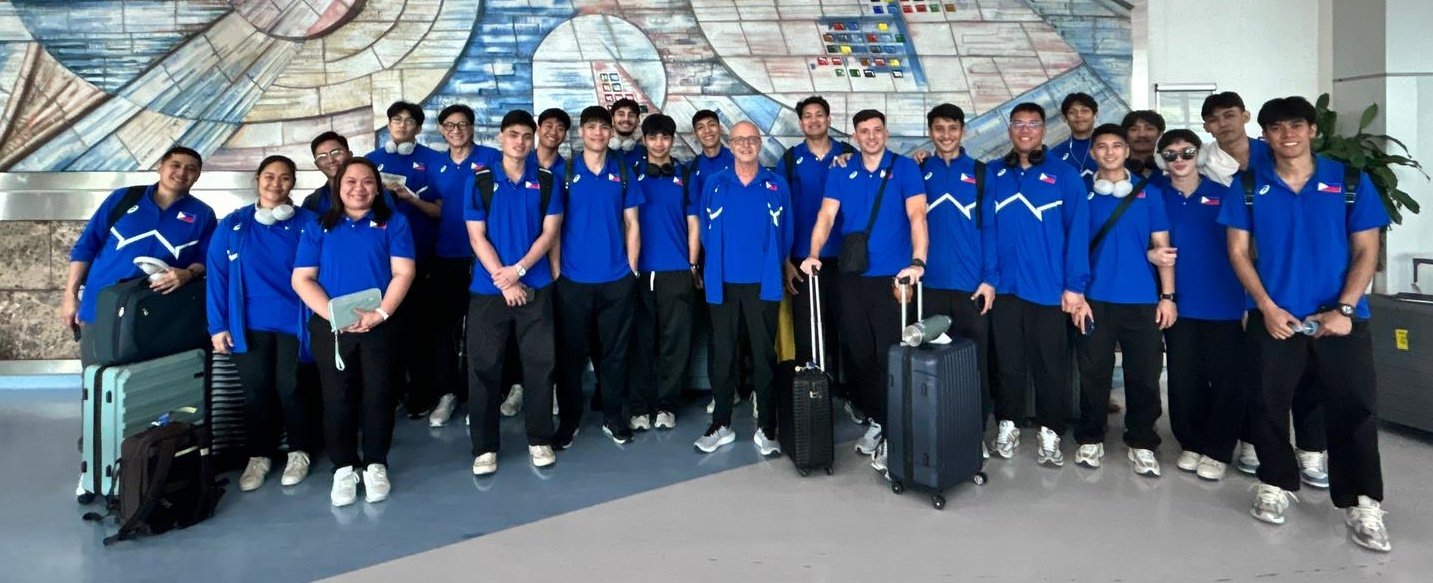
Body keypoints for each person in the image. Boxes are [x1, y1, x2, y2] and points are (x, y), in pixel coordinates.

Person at [1220, 96, 1392, 552]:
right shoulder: (1250, 184)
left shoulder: (1350, 181)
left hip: (1341, 319)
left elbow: (1367, 250)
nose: (1287, 135)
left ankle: (1362, 501)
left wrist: (1346, 310)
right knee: (1266, 402)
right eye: (1276, 128)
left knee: (1354, 407)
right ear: (1265, 135)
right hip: (1275, 317)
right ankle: (1276, 484)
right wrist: (1266, 306)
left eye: (1296, 125)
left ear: (1313, 130)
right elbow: (1238, 251)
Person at [1201, 90, 1328, 487]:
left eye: (1230, 115)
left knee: (1309, 372)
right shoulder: (1203, 162)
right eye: (1215, 119)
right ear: (1207, 127)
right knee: (1254, 371)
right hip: (1237, 281)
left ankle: (1310, 449)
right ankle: (1252, 442)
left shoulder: (1276, 158)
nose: (1224, 124)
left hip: (1293, 281)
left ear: (1245, 116)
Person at [800, 109, 928, 459]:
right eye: (863, 131)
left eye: (876, 130)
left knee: (891, 354)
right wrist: (812, 253)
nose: (871, 136)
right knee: (859, 353)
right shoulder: (843, 170)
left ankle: (894, 428)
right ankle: (877, 419)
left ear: (885, 133)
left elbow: (917, 215)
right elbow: (826, 215)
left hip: (892, 279)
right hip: (852, 277)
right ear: (855, 136)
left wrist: (918, 261)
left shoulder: (904, 168)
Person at [292, 157, 416, 507]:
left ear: (377, 188)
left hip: (381, 324)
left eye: (367, 182)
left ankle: (376, 463)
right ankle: (343, 467)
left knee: (379, 395)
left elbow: (403, 273)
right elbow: (302, 278)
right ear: (338, 186)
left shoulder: (395, 223)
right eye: (350, 182)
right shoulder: (319, 227)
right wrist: (334, 316)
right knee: (337, 400)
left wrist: (380, 313)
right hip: (332, 327)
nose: (359, 188)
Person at [985, 102, 1090, 468]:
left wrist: (1074, 286)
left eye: (1033, 124)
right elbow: (988, 231)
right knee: (1008, 364)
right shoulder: (995, 174)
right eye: (1018, 124)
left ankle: (1051, 431)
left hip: (1049, 290)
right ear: (1010, 130)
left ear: (1044, 130)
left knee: (1050, 367)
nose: (1025, 130)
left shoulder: (1064, 176)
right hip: (1005, 290)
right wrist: (990, 279)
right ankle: (1008, 424)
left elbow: (1078, 233)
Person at [1068, 124, 1175, 477]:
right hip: (1094, 300)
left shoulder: (1150, 193)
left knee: (1144, 375)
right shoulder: (1081, 192)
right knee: (1093, 373)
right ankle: (1090, 437)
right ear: (1094, 153)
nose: (1110, 152)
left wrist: (1168, 297)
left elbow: (1164, 249)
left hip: (1142, 300)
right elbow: (1073, 248)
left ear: (1127, 151)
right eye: (1102, 147)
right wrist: (1077, 294)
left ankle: (1142, 441)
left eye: (1117, 146)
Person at [207, 155, 318, 491]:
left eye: (285, 178)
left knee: (293, 388)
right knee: (256, 392)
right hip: (248, 323)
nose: (276, 184)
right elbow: (218, 276)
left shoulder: (309, 223)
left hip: (296, 322)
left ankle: (299, 452)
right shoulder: (233, 224)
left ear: (293, 184)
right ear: (257, 179)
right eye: (269, 176)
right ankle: (259, 456)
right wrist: (217, 325)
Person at [464, 110, 563, 475]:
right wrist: (504, 279)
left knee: (540, 367)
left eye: (526, 135)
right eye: (513, 135)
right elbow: (477, 236)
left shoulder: (548, 181)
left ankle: (539, 439)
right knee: (484, 368)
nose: (520, 142)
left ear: (533, 139)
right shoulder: (481, 180)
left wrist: (519, 272)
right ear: (501, 138)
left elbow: (549, 233)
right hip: (488, 290)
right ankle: (484, 447)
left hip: (535, 287)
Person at [62, 146, 216, 366]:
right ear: (159, 167)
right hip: (102, 306)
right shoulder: (123, 199)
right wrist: (70, 295)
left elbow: (207, 260)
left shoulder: (202, 214)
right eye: (175, 165)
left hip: (156, 314)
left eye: (191, 169)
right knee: (100, 382)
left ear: (198, 176)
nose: (182, 173)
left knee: (145, 388)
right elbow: (86, 246)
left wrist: (187, 273)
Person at [693, 121, 793, 455]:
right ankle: (721, 423)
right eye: (739, 140)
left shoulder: (775, 184)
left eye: (752, 139)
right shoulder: (715, 183)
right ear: (730, 144)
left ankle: (766, 426)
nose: (746, 145)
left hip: (762, 285)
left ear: (759, 142)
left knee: (765, 356)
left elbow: (787, 233)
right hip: (722, 284)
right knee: (723, 355)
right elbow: (706, 232)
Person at [1154, 129, 1249, 481]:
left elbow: (1247, 248)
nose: (1179, 160)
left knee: (1226, 380)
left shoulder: (1225, 194)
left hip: (1223, 300)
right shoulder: (1155, 196)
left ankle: (1219, 448)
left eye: (1187, 152)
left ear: (1200, 155)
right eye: (1171, 155)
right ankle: (1191, 442)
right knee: (1183, 378)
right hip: (1177, 301)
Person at [551, 106, 643, 447]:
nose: (598, 133)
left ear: (610, 133)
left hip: (617, 278)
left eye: (603, 128)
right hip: (573, 280)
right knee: (571, 356)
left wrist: (632, 268)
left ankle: (613, 416)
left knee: (616, 354)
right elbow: (553, 227)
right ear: (581, 132)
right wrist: (559, 272)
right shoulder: (564, 170)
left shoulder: (622, 170)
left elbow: (632, 222)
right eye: (591, 127)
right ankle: (570, 420)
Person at [914, 103, 998, 444]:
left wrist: (989, 278)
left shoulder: (981, 173)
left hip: (971, 287)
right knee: (932, 360)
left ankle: (973, 432)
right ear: (930, 132)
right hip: (930, 285)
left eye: (952, 128)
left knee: (973, 362)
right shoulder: (917, 171)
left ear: (963, 131)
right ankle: (937, 429)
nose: (945, 135)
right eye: (938, 128)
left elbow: (991, 229)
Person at [423, 104, 509, 426]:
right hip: (447, 256)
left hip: (486, 259)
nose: (455, 130)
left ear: (472, 127)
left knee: (484, 331)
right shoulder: (435, 165)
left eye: (461, 124)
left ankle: (483, 395)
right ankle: (448, 393)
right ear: (442, 130)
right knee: (445, 329)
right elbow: (438, 209)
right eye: (449, 125)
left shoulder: (491, 159)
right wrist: (409, 198)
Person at [774, 95, 857, 420]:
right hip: (804, 260)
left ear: (828, 118)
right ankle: (813, 397)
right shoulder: (791, 160)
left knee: (848, 329)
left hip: (846, 259)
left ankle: (849, 393)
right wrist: (786, 261)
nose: (813, 120)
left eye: (818, 115)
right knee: (808, 332)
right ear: (801, 123)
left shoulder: (849, 157)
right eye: (806, 116)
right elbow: (779, 211)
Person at [365, 101, 448, 423]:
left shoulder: (432, 160)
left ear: (418, 128)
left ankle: (422, 393)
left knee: (421, 330)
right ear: (388, 124)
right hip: (380, 263)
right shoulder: (371, 162)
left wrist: (411, 197)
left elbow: (442, 210)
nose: (402, 125)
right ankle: (392, 392)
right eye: (396, 120)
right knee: (385, 330)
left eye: (409, 121)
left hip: (423, 256)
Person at [627, 114, 700, 431]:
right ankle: (641, 407)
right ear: (644, 140)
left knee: (676, 343)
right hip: (640, 273)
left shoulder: (684, 175)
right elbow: (625, 223)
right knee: (641, 344)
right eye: (653, 137)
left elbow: (694, 225)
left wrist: (693, 264)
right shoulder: (630, 174)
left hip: (676, 272)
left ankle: (667, 405)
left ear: (672, 140)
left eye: (665, 137)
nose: (659, 143)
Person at [1050, 92, 1100, 180]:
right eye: (1072, 112)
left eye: (1085, 111)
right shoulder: (1055, 154)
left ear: (1095, 115)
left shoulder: (1112, 147)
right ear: (1064, 118)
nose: (1079, 115)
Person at [690, 109, 734, 196]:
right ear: (695, 134)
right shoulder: (692, 168)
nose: (707, 131)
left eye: (712, 125)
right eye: (700, 127)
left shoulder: (738, 160)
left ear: (720, 129)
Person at [1120, 110, 1165, 178]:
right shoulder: (1115, 167)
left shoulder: (1171, 167)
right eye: (1134, 129)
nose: (1142, 135)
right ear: (1125, 134)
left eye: (1149, 129)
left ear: (1160, 134)